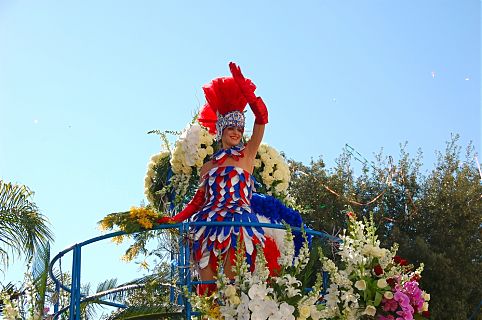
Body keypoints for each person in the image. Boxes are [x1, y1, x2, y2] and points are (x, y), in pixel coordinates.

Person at [160, 62, 303, 294]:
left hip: (236, 224)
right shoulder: (207, 166)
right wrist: (173, 220)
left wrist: (248, 92)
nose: (236, 132)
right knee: (206, 288)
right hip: (208, 223)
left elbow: (261, 120)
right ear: (221, 132)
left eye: (239, 128)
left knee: (230, 286)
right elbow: (198, 201)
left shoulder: (247, 155)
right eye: (231, 128)